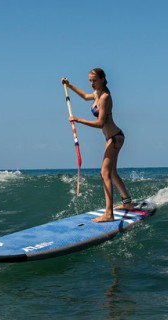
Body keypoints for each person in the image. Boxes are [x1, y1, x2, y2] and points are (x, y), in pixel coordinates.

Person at [61, 68, 134, 223]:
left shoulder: (105, 97)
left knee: (104, 173)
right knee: (112, 172)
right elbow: (85, 96)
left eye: (94, 80)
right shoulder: (96, 94)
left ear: (102, 79)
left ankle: (109, 214)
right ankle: (128, 204)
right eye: (89, 80)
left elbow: (101, 123)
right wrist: (69, 85)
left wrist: (77, 120)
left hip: (115, 138)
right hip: (111, 138)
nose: (92, 83)